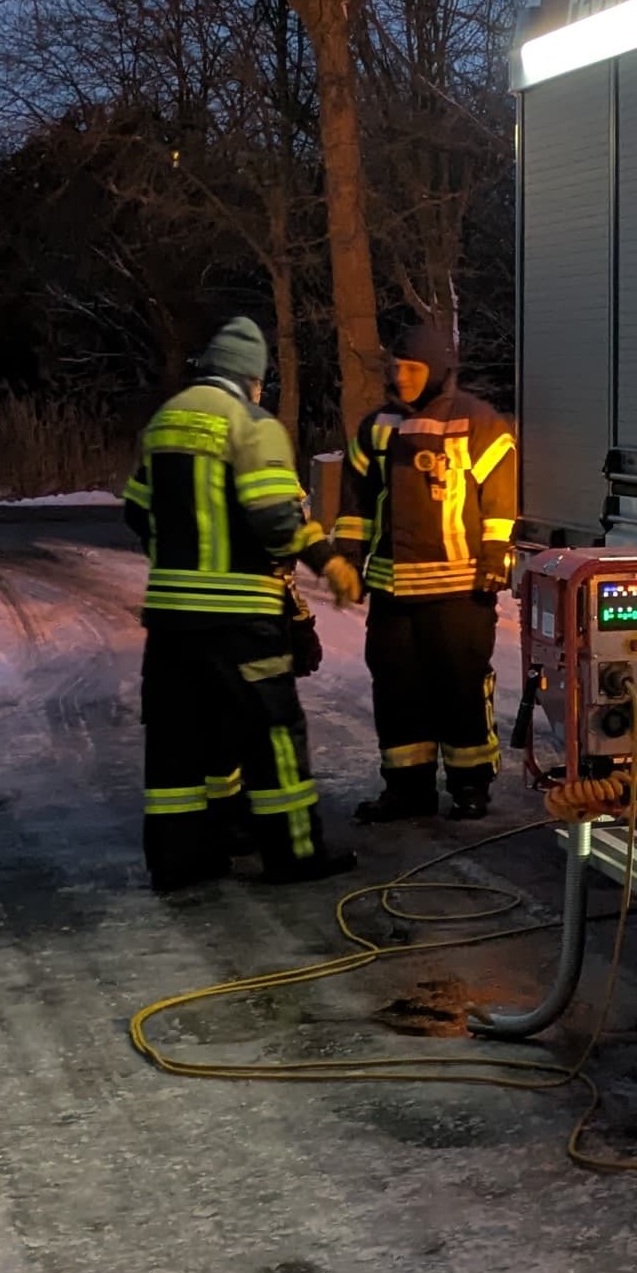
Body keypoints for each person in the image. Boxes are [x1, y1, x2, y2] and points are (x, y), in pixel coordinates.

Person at [119, 315, 355, 890]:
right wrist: (324, 562)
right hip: (240, 619)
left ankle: (180, 864)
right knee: (271, 735)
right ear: (253, 379)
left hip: (172, 620)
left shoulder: (165, 422)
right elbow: (277, 519)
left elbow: (136, 510)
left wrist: (177, 561)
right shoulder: (252, 425)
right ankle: (294, 855)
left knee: (177, 745)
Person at [320, 309, 519, 822]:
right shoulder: (377, 428)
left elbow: (499, 500)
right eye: (396, 366)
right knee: (397, 691)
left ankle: (470, 785)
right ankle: (407, 790)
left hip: (460, 592)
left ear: (436, 369)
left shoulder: (478, 422)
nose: (399, 376)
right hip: (392, 593)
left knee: (460, 688)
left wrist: (496, 557)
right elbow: (358, 503)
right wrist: (348, 557)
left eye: (411, 368)